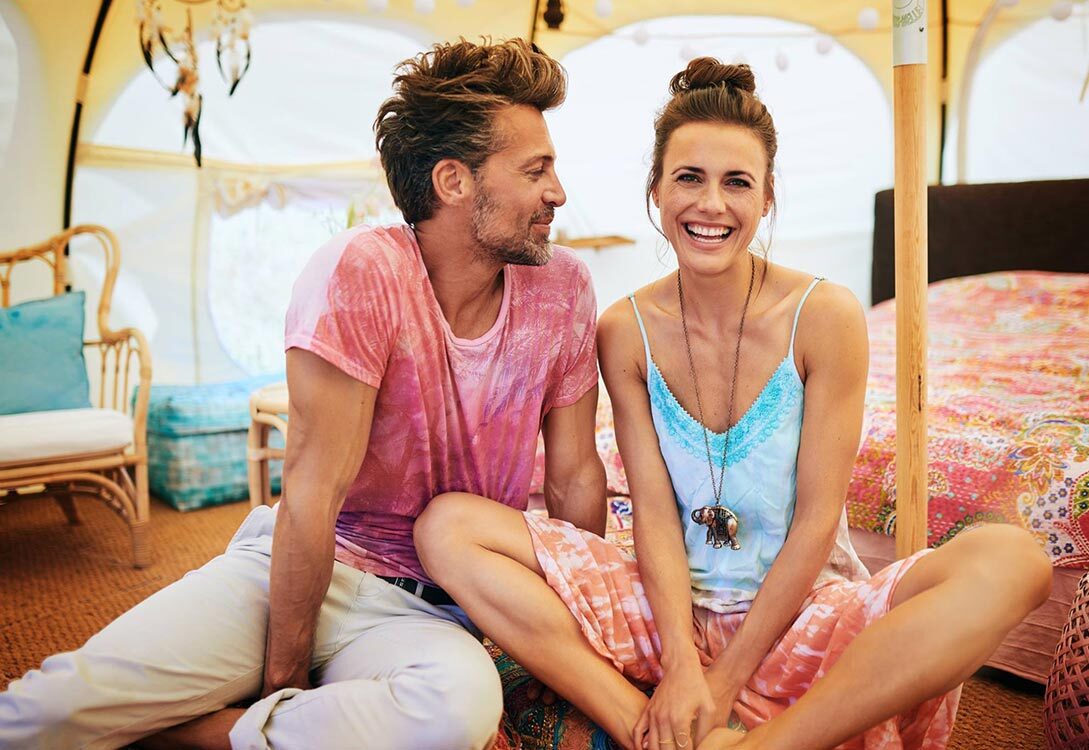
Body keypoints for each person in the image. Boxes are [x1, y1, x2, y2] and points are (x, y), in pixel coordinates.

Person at [414, 58, 1053, 750]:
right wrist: (683, 666)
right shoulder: (624, 330)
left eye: (737, 182)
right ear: (656, 190)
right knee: (447, 526)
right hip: (668, 616)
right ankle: (641, 725)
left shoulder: (825, 317)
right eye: (688, 178)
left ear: (767, 197)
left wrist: (722, 683)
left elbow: (816, 521)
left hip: (804, 614)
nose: (710, 205)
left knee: (1013, 560)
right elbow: (654, 514)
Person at [0, 38, 607, 750]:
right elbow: (312, 495)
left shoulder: (563, 288)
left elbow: (573, 477)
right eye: (536, 170)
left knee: (455, 714)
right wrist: (284, 680)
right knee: (47, 713)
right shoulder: (363, 272)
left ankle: (194, 733)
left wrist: (587, 631)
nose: (557, 192)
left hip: (433, 613)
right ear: (452, 181)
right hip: (298, 574)